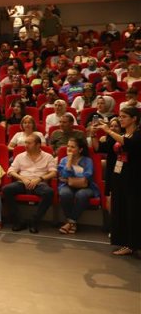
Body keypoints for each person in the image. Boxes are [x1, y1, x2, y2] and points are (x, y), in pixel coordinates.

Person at [101, 107, 141, 256]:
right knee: (122, 210)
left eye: (124, 116)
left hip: (134, 179)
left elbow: (129, 144)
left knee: (133, 212)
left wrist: (109, 131)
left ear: (134, 119)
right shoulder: (125, 133)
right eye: (120, 116)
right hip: (120, 176)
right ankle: (125, 243)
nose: (121, 119)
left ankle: (133, 244)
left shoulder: (138, 134)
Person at [3, 135, 57, 233]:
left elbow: (53, 172)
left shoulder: (48, 156)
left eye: (29, 143)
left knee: (49, 192)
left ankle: (34, 221)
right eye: (25, 143)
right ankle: (19, 221)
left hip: (39, 183)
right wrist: (22, 178)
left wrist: (40, 179)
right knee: (7, 189)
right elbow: (11, 171)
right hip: (23, 182)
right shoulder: (20, 156)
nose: (26, 145)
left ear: (38, 145)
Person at [57, 137, 97, 235]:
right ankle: (72, 223)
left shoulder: (87, 161)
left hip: (86, 187)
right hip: (67, 186)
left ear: (80, 149)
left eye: (72, 147)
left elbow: (87, 176)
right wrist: (69, 162)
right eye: (68, 146)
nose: (69, 149)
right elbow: (64, 175)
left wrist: (70, 178)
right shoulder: (64, 160)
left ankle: (69, 222)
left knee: (81, 195)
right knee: (65, 193)